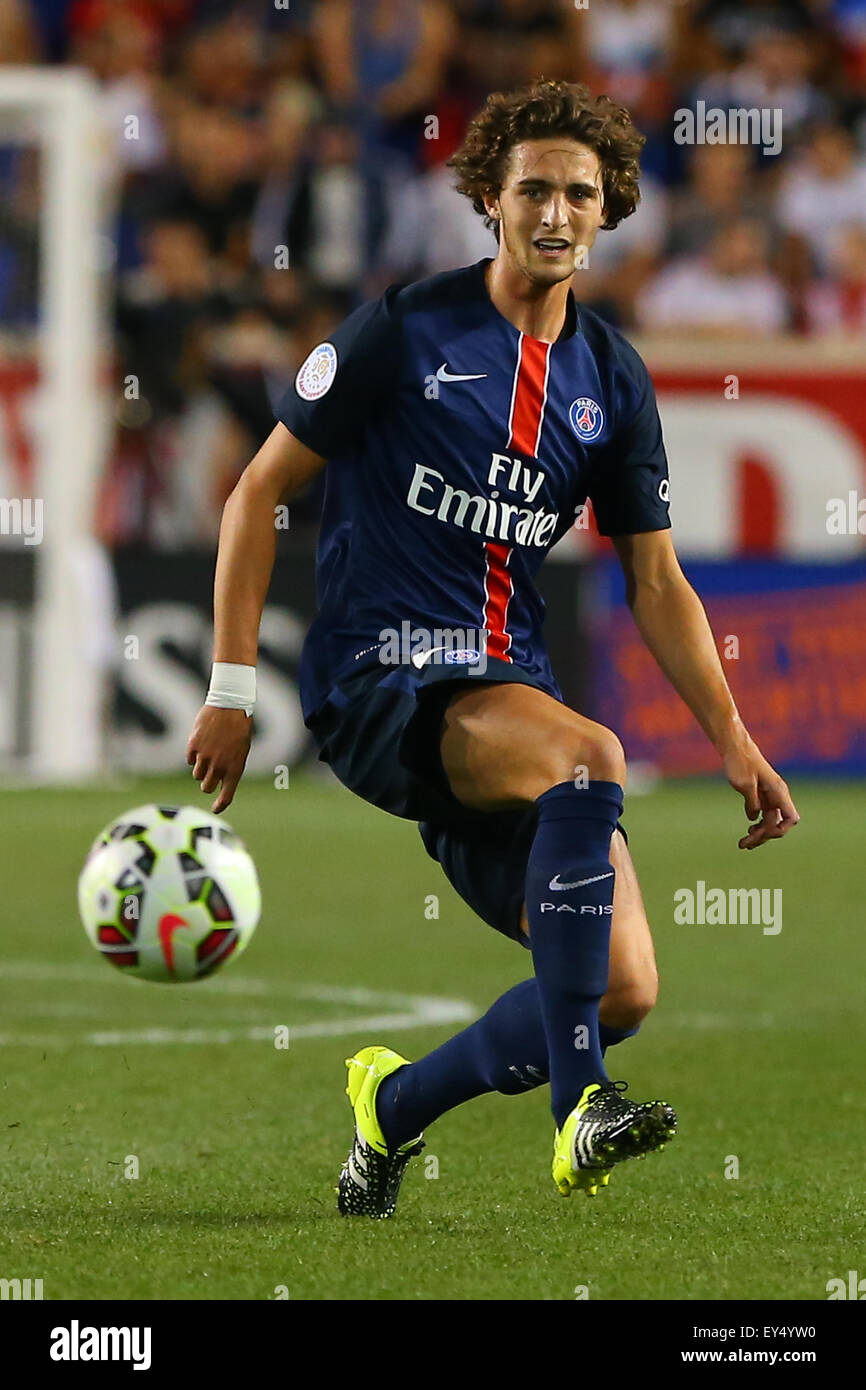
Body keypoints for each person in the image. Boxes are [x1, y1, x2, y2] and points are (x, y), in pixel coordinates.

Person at [186, 80, 799, 1219]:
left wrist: (733, 737)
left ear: (609, 209)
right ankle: (582, 1109)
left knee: (618, 987)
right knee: (590, 756)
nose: (555, 212)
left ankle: (392, 1108)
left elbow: (653, 575)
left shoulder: (610, 379)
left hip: (503, 695)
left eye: (579, 192)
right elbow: (255, 492)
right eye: (532, 190)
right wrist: (229, 684)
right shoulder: (402, 328)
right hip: (382, 677)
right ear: (488, 199)